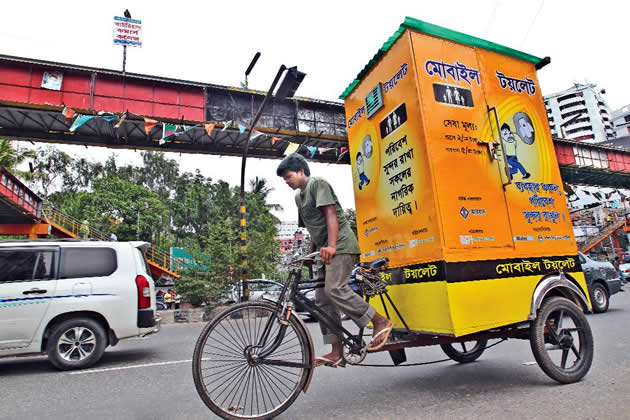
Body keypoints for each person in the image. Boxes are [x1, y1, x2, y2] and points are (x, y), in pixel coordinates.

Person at [277, 153, 393, 368]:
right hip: (324, 252)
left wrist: (331, 245)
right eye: (283, 178)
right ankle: (336, 352)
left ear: (301, 171)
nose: (286, 181)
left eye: (288, 176)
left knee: (334, 289)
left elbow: (330, 214)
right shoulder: (298, 197)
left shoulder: (317, 184)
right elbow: (314, 228)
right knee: (322, 299)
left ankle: (379, 321)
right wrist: (310, 256)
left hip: (340, 246)